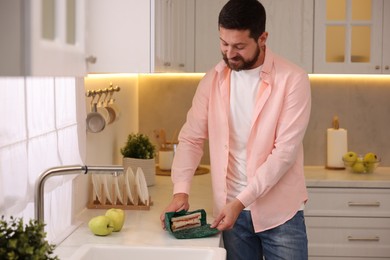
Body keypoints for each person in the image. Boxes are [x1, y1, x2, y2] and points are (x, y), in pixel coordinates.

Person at [160, 0, 311, 259]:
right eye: (224, 43)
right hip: (231, 215)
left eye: (239, 46)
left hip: (280, 216)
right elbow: (191, 139)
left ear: (262, 38)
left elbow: (284, 154)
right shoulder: (213, 80)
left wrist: (240, 202)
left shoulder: (293, 80)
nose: (229, 53)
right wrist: (180, 191)